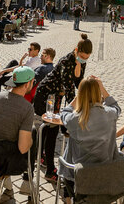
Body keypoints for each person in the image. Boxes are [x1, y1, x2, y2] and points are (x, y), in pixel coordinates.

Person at [32, 34, 92, 181]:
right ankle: (48, 168)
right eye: (83, 57)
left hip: (56, 96)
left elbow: (79, 83)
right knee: (50, 130)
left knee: (50, 130)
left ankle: (44, 159)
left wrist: (88, 95)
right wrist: (76, 108)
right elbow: (69, 87)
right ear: (77, 50)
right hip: (46, 95)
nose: (84, 60)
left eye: (87, 58)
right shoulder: (66, 61)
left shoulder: (81, 61)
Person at [58, 76, 120, 202]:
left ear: (81, 95)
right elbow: (116, 106)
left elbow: (64, 113)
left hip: (79, 176)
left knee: (71, 145)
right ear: (99, 94)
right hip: (105, 172)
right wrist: (102, 88)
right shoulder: (110, 114)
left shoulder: (75, 120)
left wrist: (76, 99)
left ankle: (67, 197)